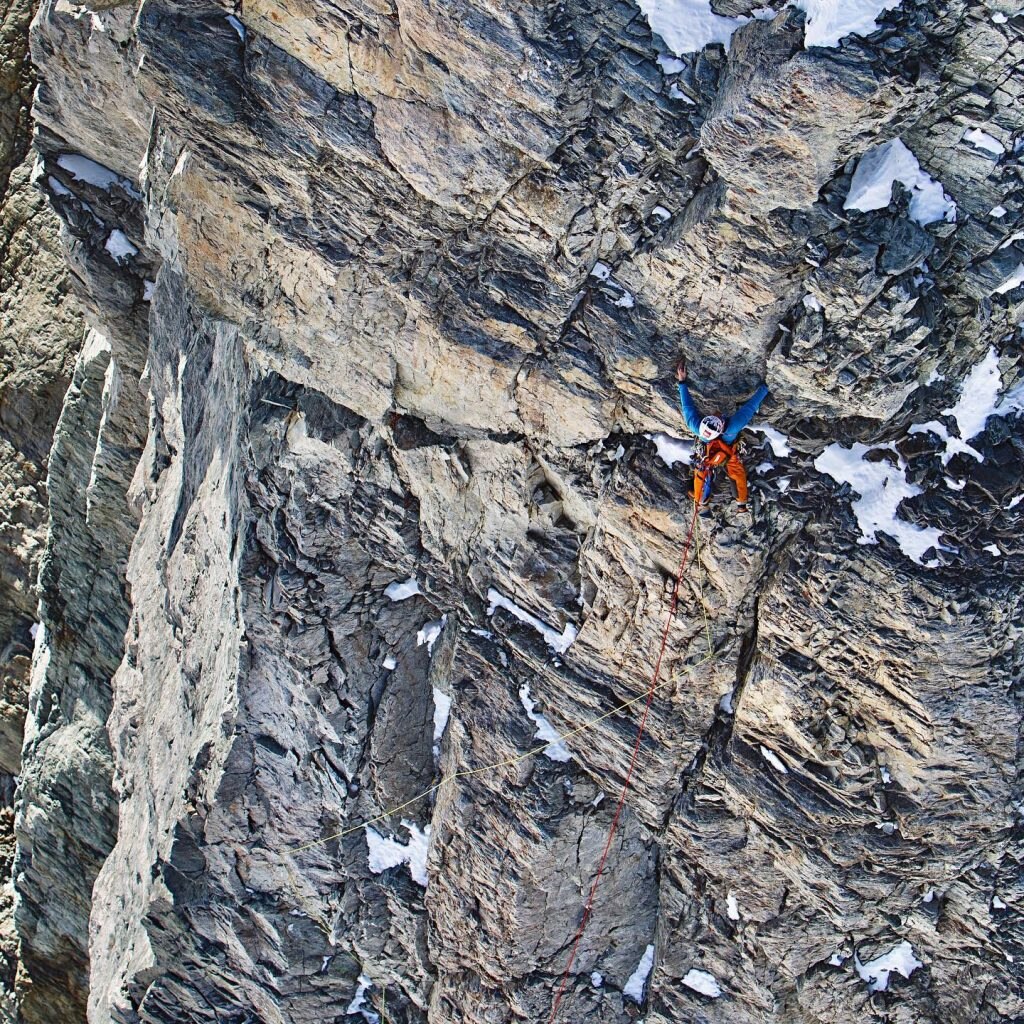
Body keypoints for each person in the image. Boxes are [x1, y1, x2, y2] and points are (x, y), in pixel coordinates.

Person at [675, 359, 769, 513]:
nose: (716, 414)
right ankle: (739, 502)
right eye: (716, 419)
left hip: (709, 447)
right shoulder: (731, 427)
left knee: (704, 468)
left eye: (714, 418)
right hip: (727, 443)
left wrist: (682, 381)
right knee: (733, 468)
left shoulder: (697, 426)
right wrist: (765, 389)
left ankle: (702, 500)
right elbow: (750, 407)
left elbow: (687, 406)